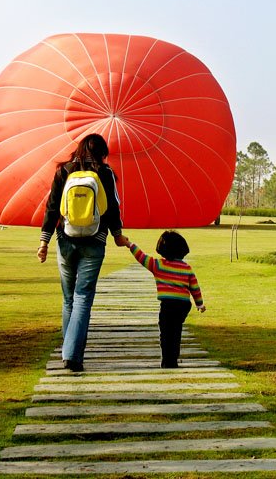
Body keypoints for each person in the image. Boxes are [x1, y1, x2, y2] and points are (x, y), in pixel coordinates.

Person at [37, 133, 124, 373]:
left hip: (65, 240)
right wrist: (117, 234)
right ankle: (72, 355)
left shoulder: (63, 171)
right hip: (95, 241)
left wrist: (44, 242)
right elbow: (112, 208)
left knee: (68, 298)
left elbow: (52, 207)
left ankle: (69, 351)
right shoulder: (105, 174)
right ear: (102, 153)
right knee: (83, 297)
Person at [119, 231, 206, 368]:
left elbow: (141, 257)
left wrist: (129, 244)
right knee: (176, 331)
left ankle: (167, 360)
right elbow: (195, 288)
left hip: (168, 305)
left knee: (166, 333)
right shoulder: (187, 268)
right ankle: (173, 359)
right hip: (183, 305)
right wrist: (200, 304)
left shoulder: (158, 265)